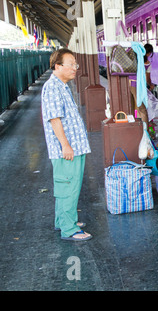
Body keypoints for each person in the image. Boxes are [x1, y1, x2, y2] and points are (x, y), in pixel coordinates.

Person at [41, 48, 92, 241]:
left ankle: (62, 220)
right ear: (58, 66)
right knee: (68, 187)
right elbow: (55, 119)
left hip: (74, 147)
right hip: (67, 149)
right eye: (70, 64)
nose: (75, 68)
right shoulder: (53, 87)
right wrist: (65, 145)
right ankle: (69, 229)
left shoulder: (61, 85)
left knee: (68, 186)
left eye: (75, 64)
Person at [130, 43, 154, 124]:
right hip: (138, 87)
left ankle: (135, 126)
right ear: (149, 53)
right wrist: (151, 85)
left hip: (129, 85)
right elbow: (147, 78)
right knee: (142, 109)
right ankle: (146, 131)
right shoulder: (147, 63)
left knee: (132, 108)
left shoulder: (135, 60)